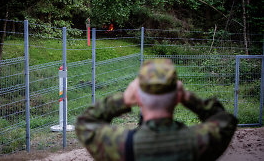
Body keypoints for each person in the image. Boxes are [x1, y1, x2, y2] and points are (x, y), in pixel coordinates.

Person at [75, 59, 238, 161]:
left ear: (137, 98)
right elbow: (224, 119)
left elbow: (85, 123)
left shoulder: (119, 146)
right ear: (177, 98)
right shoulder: (199, 141)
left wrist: (123, 100)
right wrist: (189, 98)